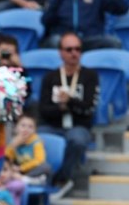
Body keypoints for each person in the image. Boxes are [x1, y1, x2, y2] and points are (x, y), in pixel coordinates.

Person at [38, 32, 99, 188]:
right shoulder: (50, 77)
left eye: (78, 49)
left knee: (77, 140)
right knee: (36, 137)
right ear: (60, 52)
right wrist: (61, 107)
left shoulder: (90, 76)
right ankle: (40, 176)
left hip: (79, 126)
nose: (74, 53)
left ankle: (60, 179)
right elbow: (43, 109)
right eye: (69, 49)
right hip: (53, 125)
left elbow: (89, 109)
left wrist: (70, 101)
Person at [42, 0, 128, 51]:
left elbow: (121, 9)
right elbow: (46, 20)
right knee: (54, 41)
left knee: (113, 43)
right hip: (65, 38)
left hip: (90, 38)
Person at [5, 113, 51, 181]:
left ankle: (25, 179)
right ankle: (17, 177)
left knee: (45, 167)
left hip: (30, 170)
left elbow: (39, 160)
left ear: (35, 130)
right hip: (16, 169)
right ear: (16, 128)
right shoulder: (13, 141)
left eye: (30, 127)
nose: (26, 129)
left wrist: (21, 168)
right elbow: (7, 159)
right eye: (23, 126)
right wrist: (13, 146)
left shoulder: (37, 142)